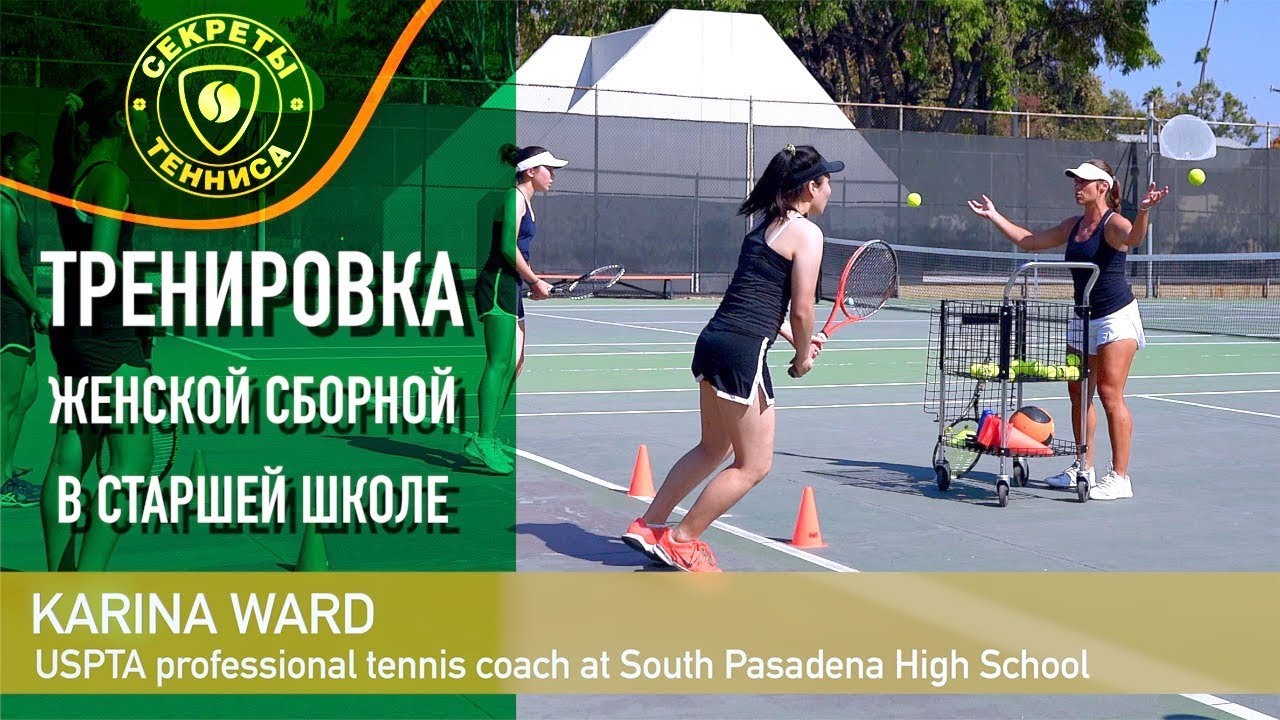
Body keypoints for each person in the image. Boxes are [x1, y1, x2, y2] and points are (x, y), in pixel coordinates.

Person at [621, 144, 840, 572]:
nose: (830, 188)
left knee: (712, 447)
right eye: (827, 181)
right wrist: (801, 356)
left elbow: (757, 302)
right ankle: (683, 541)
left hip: (715, 340)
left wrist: (798, 339)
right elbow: (800, 309)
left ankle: (650, 524)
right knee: (754, 465)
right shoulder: (808, 234)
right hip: (742, 351)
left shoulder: (765, 227)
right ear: (811, 187)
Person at [967, 159, 1170, 501]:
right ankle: (1082, 467)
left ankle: (1120, 477)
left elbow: (1134, 237)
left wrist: (1145, 211)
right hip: (1082, 317)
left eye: (1084, 182)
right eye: (1075, 181)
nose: (1077, 187)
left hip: (1115, 317)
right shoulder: (1073, 226)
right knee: (1078, 392)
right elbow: (1029, 242)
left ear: (1102, 187)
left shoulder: (1114, 223)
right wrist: (994, 215)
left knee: (1108, 393)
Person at [40, 78, 154, 570]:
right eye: (143, 109)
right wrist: (145, 305)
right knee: (133, 464)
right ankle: (87, 591)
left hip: (73, 326)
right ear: (121, 120)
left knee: (72, 450)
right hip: (106, 330)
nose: (150, 118)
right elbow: (103, 263)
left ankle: (62, 582)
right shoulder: (111, 177)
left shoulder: (72, 172)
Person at [469, 144, 565, 473]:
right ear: (530, 171)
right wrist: (536, 281)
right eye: (547, 169)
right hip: (497, 284)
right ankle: (481, 440)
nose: (553, 175)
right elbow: (507, 247)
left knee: (516, 363)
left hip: (513, 287)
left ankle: (489, 436)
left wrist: (530, 285)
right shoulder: (514, 198)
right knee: (499, 362)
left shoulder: (528, 203)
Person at [1, 131, 50, 507]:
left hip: (19, 308)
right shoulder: (3, 204)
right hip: (7, 309)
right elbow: (12, 271)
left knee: (27, 392)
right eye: (31, 162)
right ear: (10, 163)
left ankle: (6, 466)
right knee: (7, 398)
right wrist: (38, 306)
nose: (38, 168)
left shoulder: (15, 202)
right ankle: (2, 484)